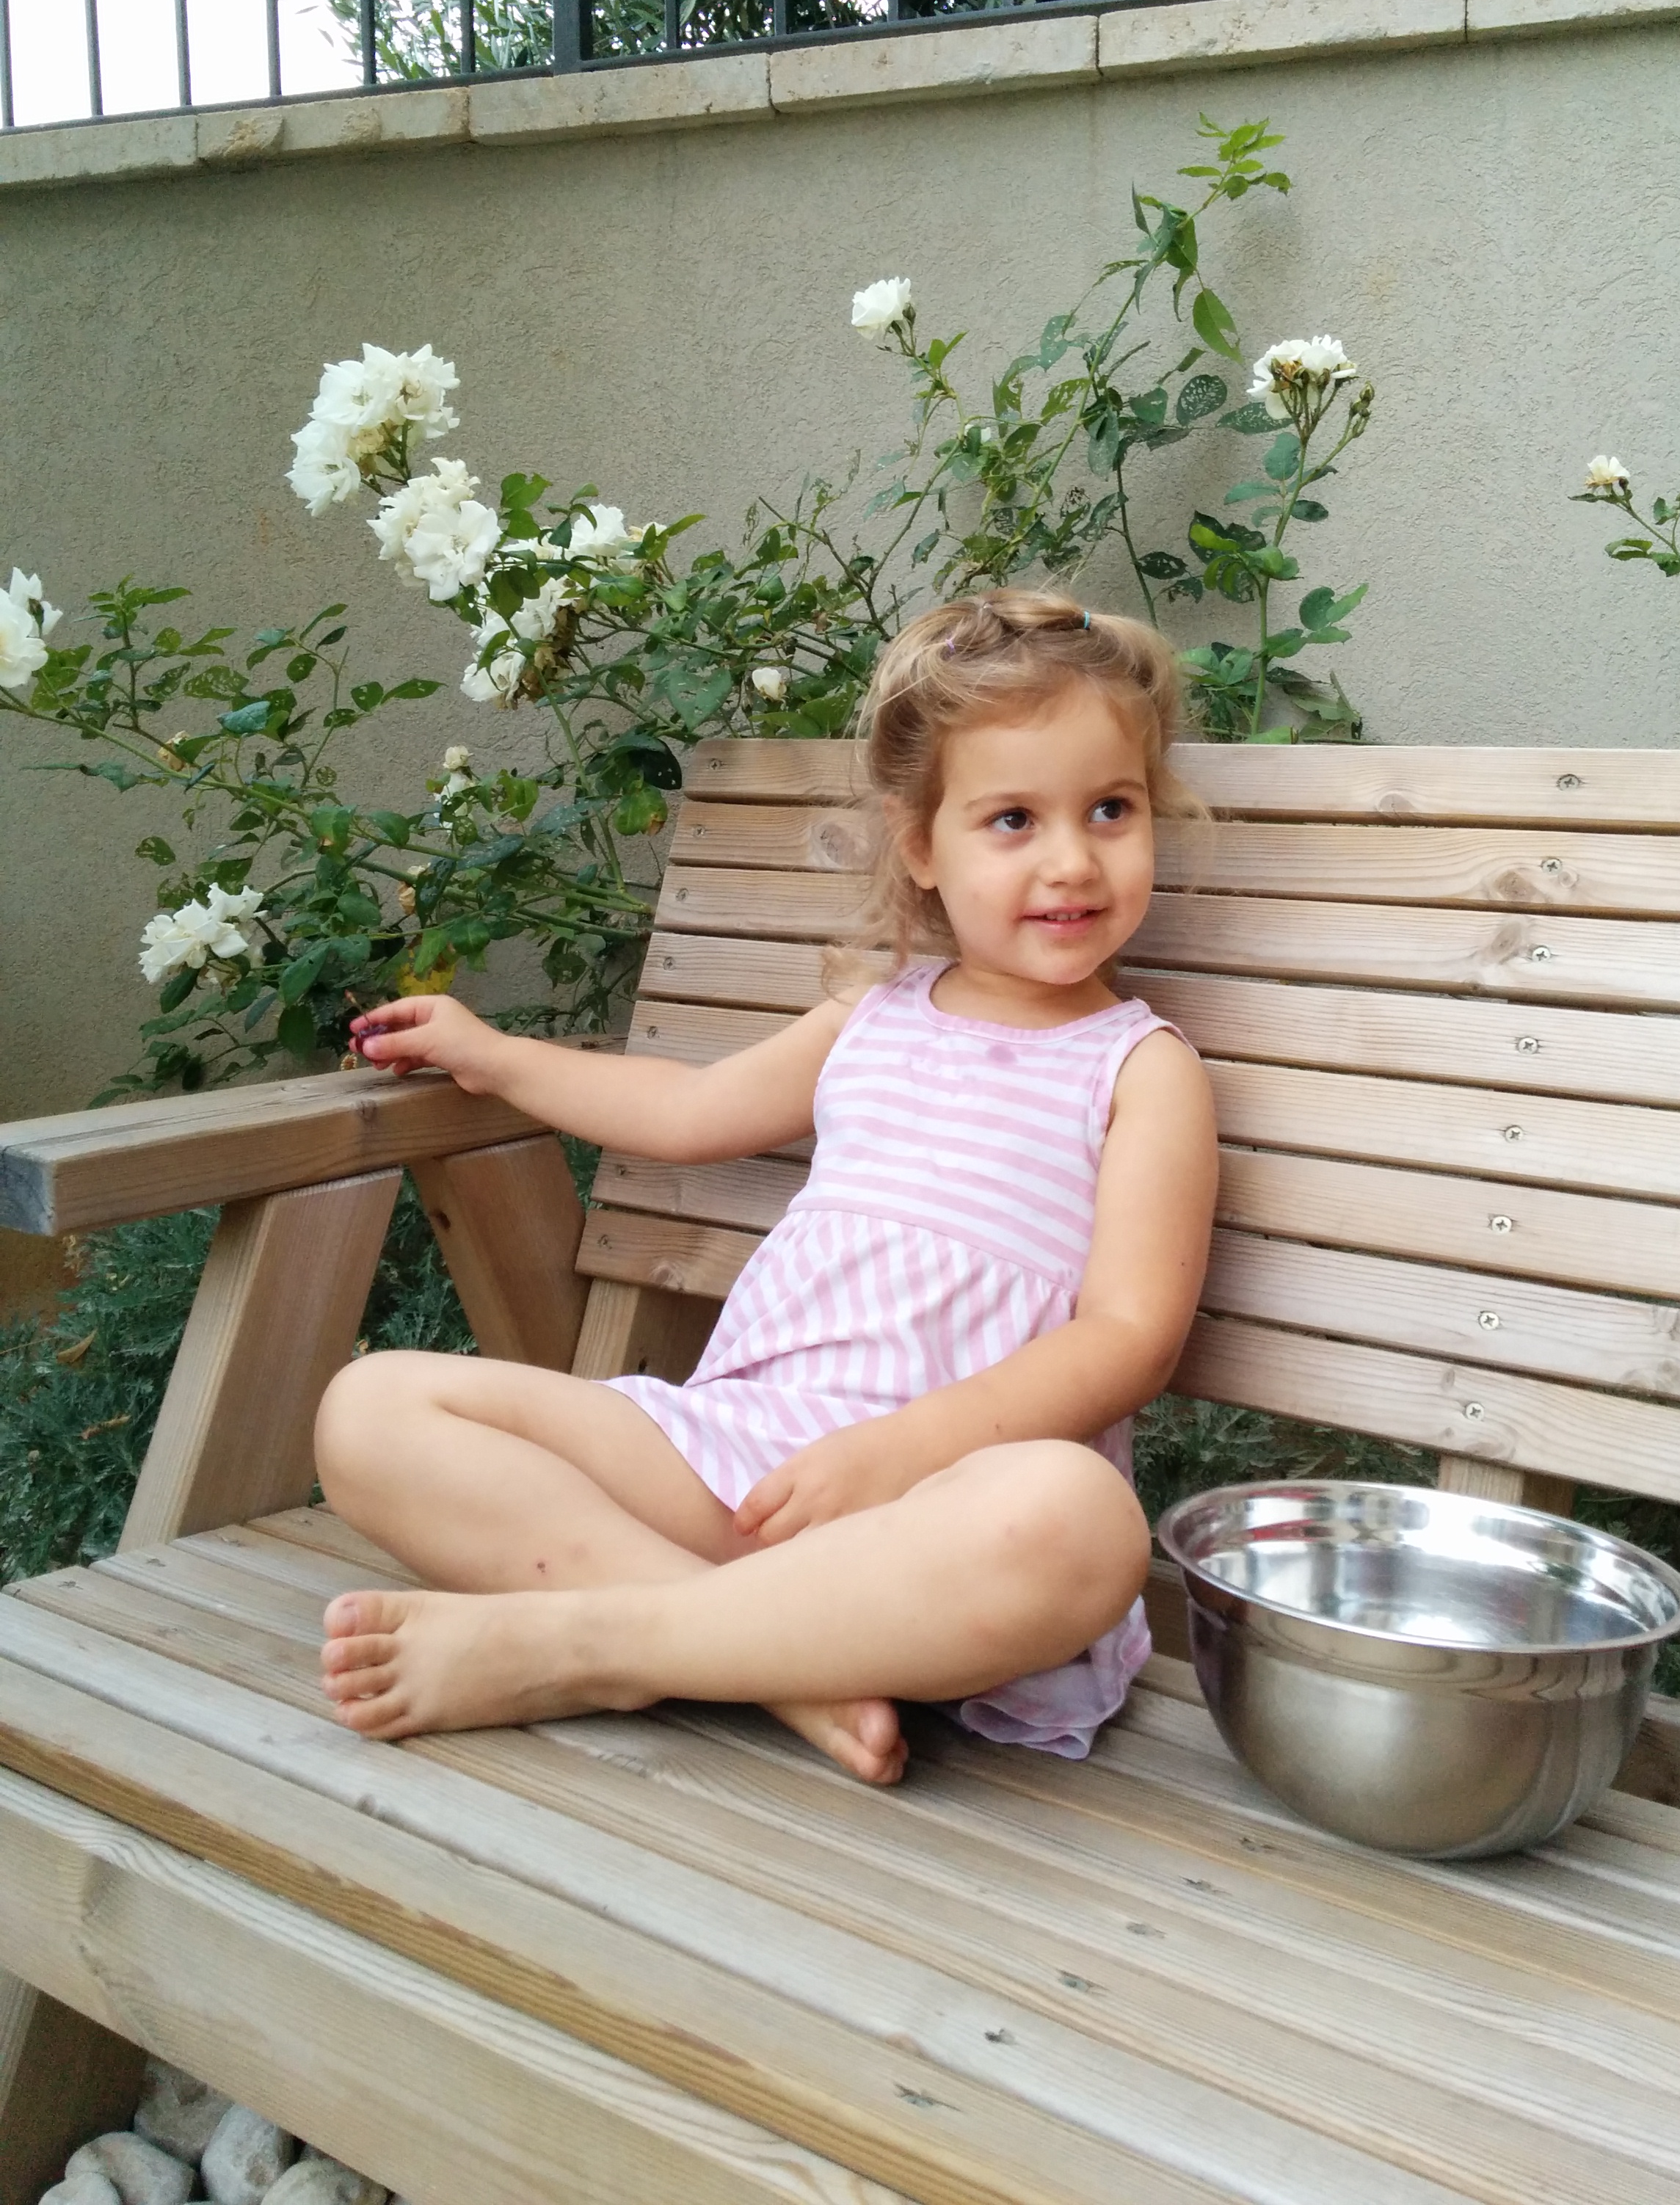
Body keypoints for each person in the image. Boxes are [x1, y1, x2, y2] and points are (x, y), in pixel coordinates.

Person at [314, 588, 1220, 1786]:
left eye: (1112, 808)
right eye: (1013, 818)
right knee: (371, 1409)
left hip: (937, 1524)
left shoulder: (1140, 1070)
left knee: (1082, 1520)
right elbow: (687, 1113)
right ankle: (767, 1663)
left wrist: (897, 1453)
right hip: (744, 1467)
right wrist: (494, 1056)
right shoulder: (872, 1017)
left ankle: (598, 1646)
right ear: (920, 844)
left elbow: (1130, 1339)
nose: (1071, 860)